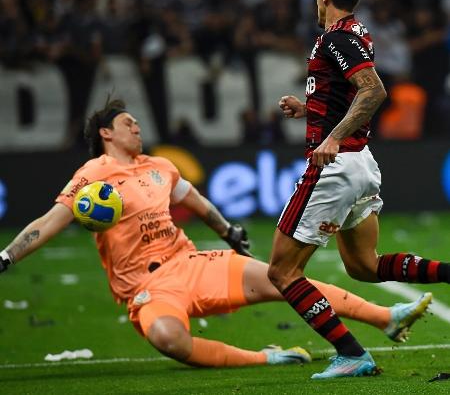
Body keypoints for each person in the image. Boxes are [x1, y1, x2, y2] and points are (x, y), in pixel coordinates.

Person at [0, 99, 432, 369]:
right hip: (147, 287)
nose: (137, 128)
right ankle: (268, 358)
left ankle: (386, 317)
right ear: (106, 133)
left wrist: (228, 230)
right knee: (169, 340)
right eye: (128, 123)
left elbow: (196, 202)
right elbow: (48, 222)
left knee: (283, 278)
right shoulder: (92, 179)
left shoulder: (161, 166)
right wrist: (6, 257)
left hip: (190, 262)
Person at [267, 0, 450, 380]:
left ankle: (351, 353)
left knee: (281, 271)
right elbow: (349, 92)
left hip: (336, 165)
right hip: (361, 162)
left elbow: (373, 89)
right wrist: (308, 108)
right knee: (363, 266)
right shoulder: (356, 33)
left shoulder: (336, 38)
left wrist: (330, 136)